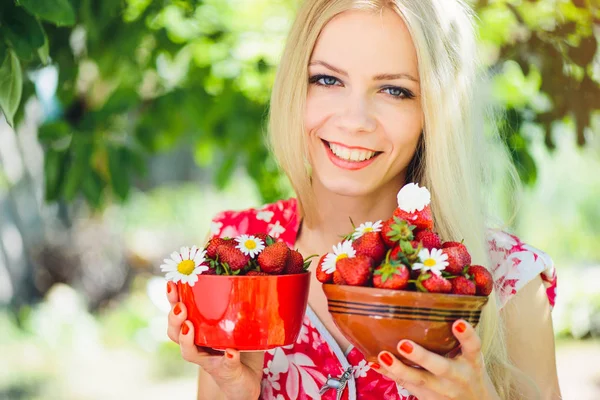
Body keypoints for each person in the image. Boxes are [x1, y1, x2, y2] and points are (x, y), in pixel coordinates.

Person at [165, 0, 561, 399]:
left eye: (395, 90)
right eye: (327, 80)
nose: (355, 120)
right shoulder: (237, 250)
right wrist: (233, 388)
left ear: (435, 112)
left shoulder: (507, 278)